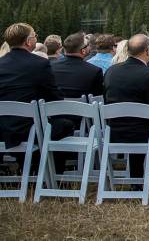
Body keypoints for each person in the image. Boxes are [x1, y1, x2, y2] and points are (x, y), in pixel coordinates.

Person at [0, 23, 74, 173]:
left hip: (2, 127)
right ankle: (51, 174)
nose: (36, 39)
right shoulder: (39, 64)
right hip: (29, 129)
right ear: (28, 41)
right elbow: (54, 96)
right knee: (65, 125)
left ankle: (26, 169)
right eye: (35, 36)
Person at [103, 33, 149, 178]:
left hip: (113, 132)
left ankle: (136, 178)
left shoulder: (111, 71)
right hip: (144, 134)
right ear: (147, 51)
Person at [50, 32, 104, 99]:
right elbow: (97, 98)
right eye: (88, 45)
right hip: (84, 109)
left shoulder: (50, 67)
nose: (89, 47)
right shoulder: (95, 71)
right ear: (83, 51)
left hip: (53, 108)